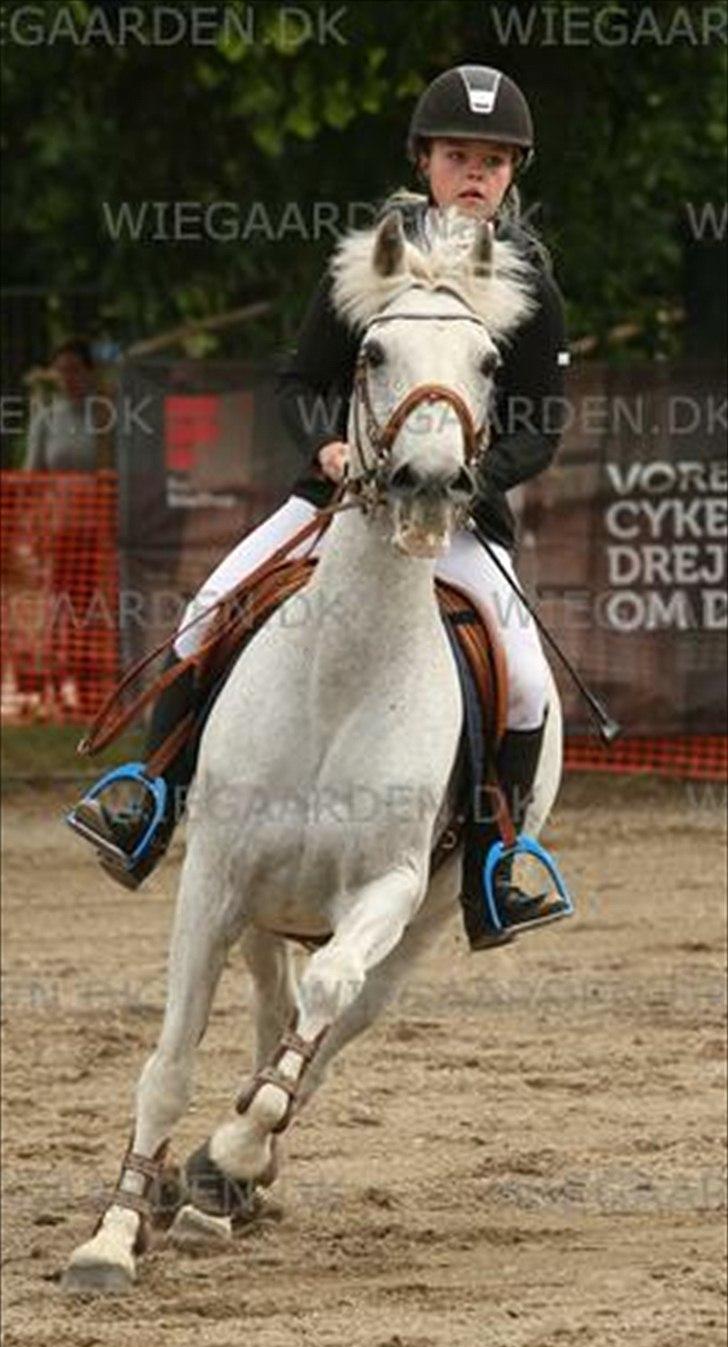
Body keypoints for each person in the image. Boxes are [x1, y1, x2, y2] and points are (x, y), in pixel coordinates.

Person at [69, 65, 569, 948]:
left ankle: (495, 868)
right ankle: (151, 797)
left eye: (494, 161)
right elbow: (299, 380)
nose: (476, 175)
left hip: (458, 524)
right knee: (204, 613)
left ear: (513, 174)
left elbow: (542, 429)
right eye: (460, 155)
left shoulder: (530, 286)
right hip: (340, 504)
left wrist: (469, 485)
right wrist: (329, 448)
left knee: (526, 683)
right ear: (425, 162)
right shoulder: (370, 261)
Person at [25, 337, 115, 715]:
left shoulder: (105, 416)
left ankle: (90, 688)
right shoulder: (46, 418)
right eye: (61, 371)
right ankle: (57, 687)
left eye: (75, 370)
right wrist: (33, 528)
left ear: (89, 373)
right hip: (59, 530)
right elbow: (31, 478)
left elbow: (116, 468)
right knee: (58, 608)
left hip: (98, 531)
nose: (68, 378)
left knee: (92, 610)